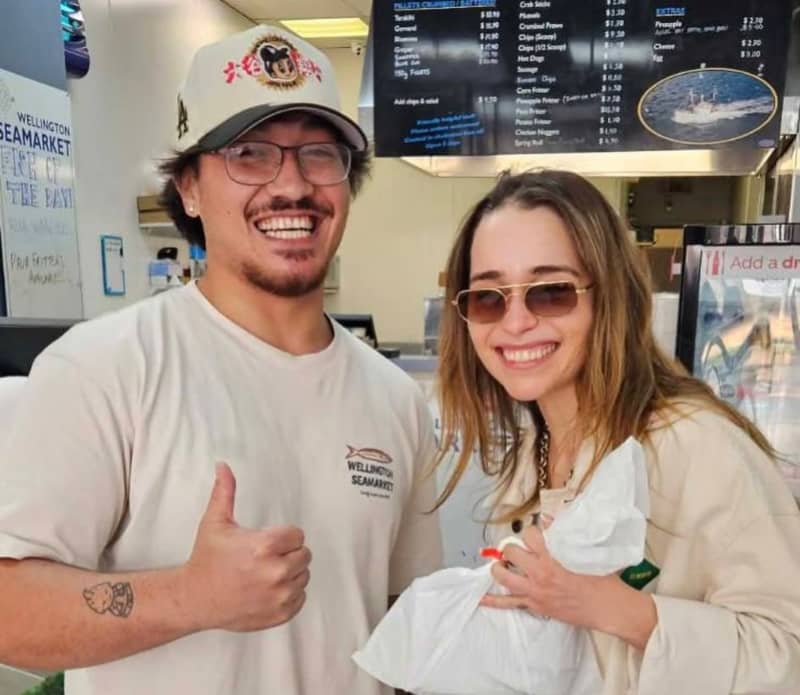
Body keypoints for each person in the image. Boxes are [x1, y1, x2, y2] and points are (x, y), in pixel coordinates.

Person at [0, 25, 441, 695]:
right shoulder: (105, 368)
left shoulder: (397, 399)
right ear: (189, 188)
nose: (292, 184)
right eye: (250, 154)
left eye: (320, 154)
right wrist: (190, 597)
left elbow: (410, 623)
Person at [434, 169, 800, 694]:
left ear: (610, 297)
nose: (514, 323)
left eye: (551, 292)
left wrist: (613, 608)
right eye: (489, 298)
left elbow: (786, 653)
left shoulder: (696, 445)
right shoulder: (532, 453)